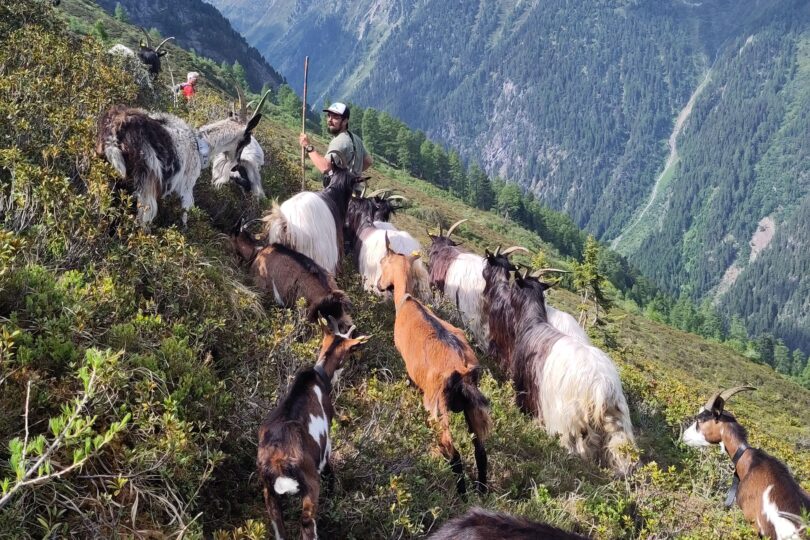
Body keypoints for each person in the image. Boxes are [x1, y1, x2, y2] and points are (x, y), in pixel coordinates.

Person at [299, 102, 372, 182]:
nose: (330, 120)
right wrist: (351, 176)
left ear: (345, 121)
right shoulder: (356, 138)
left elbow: (325, 167)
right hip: (355, 191)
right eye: (329, 116)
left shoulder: (340, 141)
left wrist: (308, 146)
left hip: (339, 193)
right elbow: (368, 161)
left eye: (335, 117)